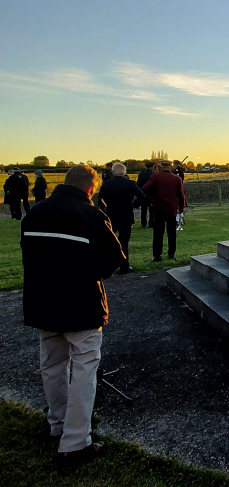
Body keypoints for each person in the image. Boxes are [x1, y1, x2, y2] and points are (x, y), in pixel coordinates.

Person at [21, 166, 126, 465]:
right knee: (83, 368)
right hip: (80, 304)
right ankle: (76, 441)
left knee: (52, 366)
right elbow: (114, 257)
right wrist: (86, 274)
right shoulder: (90, 215)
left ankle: (58, 424)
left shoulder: (35, 213)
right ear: (90, 188)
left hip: (42, 302)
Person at [94, 163, 147, 275]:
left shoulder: (106, 184)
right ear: (124, 173)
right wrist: (134, 205)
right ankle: (124, 266)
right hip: (126, 215)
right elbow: (142, 196)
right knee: (124, 241)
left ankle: (108, 266)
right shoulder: (131, 184)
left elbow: (100, 200)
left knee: (109, 241)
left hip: (111, 214)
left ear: (113, 172)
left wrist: (105, 208)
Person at [140, 163, 187, 263]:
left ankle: (157, 255)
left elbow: (145, 188)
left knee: (158, 232)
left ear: (161, 167)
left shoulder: (155, 177)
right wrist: (181, 208)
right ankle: (171, 253)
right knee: (171, 232)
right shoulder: (177, 179)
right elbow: (181, 195)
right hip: (171, 208)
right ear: (170, 168)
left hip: (159, 207)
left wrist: (151, 200)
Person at [134, 163, 155, 228]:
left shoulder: (141, 175)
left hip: (143, 194)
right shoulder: (153, 175)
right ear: (152, 167)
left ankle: (143, 223)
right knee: (152, 210)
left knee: (144, 210)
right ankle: (151, 223)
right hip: (151, 194)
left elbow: (138, 184)